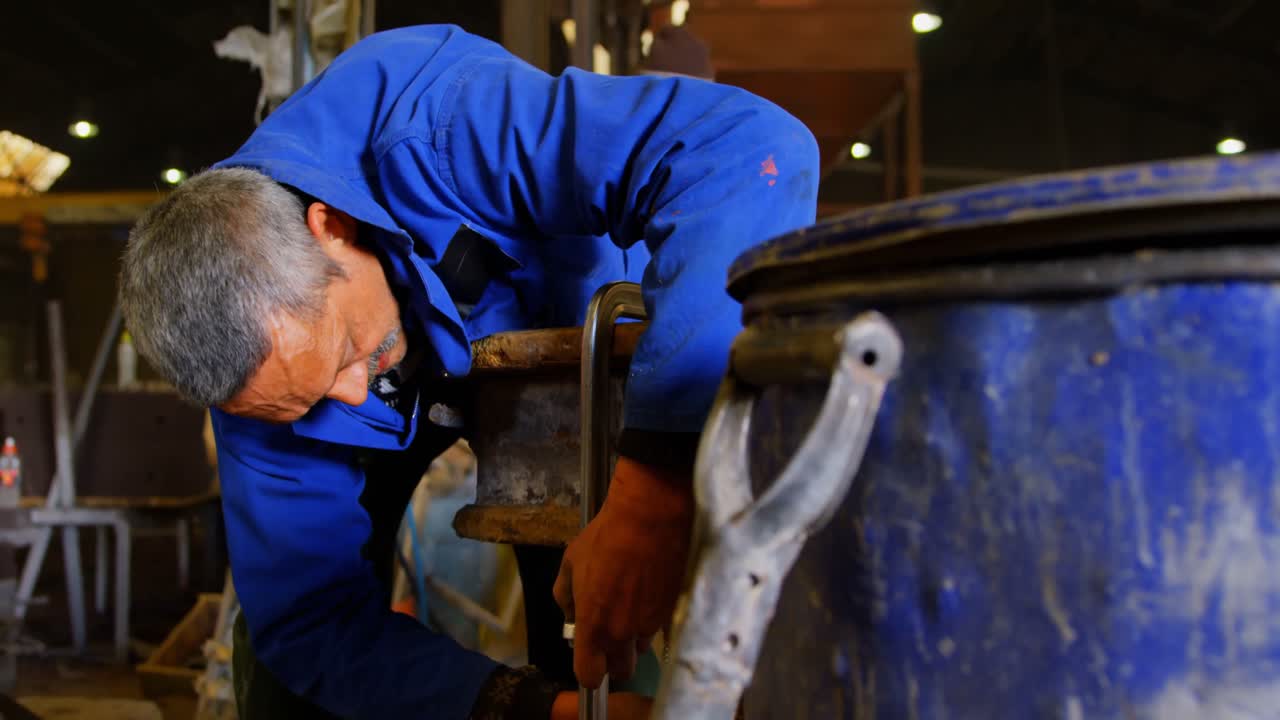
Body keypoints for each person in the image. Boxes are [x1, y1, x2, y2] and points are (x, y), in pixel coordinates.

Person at [120, 24, 817, 720]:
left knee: (597, 604)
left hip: (559, 345)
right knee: (284, 670)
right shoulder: (248, 353)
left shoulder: (446, 123)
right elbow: (310, 622)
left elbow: (748, 152)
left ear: (329, 227)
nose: (351, 395)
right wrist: (533, 711)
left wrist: (652, 490)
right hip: (419, 363)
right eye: (304, 403)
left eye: (342, 354)